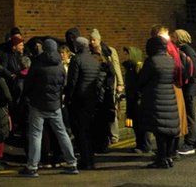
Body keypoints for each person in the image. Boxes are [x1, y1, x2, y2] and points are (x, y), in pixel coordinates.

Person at [18, 38, 79, 178]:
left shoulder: (37, 64)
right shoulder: (60, 66)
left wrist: (29, 97)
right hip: (55, 106)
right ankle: (72, 163)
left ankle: (32, 166)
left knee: (35, 135)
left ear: (44, 48)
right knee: (62, 133)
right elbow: (63, 84)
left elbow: (28, 84)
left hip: (38, 105)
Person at [138, 36, 181, 169]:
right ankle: (168, 157)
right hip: (169, 97)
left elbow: (142, 80)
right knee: (168, 130)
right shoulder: (170, 60)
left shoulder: (151, 61)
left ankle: (161, 159)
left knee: (159, 131)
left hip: (156, 98)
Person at [64, 36, 101, 170]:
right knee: (89, 130)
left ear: (78, 46)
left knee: (80, 131)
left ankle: (85, 161)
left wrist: (68, 97)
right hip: (91, 99)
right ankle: (91, 159)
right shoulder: (94, 61)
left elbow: (72, 82)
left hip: (79, 100)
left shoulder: (76, 60)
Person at [89, 28, 125, 151]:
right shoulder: (90, 52)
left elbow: (116, 67)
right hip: (97, 86)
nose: (92, 42)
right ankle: (104, 136)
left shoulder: (109, 51)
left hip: (110, 84)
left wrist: (120, 83)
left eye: (94, 39)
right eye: (91, 39)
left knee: (112, 109)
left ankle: (114, 135)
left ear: (99, 40)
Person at [173, 29, 196, 154]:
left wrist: (182, 80)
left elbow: (190, 71)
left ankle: (189, 144)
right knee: (192, 116)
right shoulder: (187, 50)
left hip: (189, 88)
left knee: (189, 117)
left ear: (179, 38)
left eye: (174, 37)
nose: (171, 39)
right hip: (191, 87)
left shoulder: (186, 51)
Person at [121, 46, 151, 154]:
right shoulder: (129, 68)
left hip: (138, 101)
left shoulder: (138, 67)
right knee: (134, 123)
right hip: (131, 100)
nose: (123, 56)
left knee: (142, 124)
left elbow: (142, 84)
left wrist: (138, 97)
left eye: (126, 54)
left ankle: (146, 146)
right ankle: (139, 144)